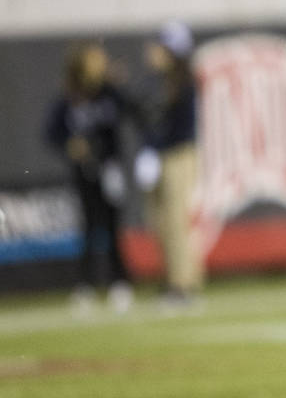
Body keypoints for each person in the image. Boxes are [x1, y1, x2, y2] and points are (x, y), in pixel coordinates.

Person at [44, 41, 135, 314]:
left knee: (112, 225)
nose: (101, 62)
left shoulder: (108, 92)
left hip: (109, 169)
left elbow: (130, 110)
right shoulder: (70, 95)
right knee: (87, 226)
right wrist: (71, 145)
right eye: (95, 59)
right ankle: (85, 284)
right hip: (84, 171)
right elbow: (52, 132)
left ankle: (120, 282)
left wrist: (118, 85)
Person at [135, 20, 202, 310]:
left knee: (176, 222)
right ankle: (173, 280)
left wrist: (154, 148)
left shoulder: (184, 83)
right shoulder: (156, 81)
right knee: (158, 222)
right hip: (159, 155)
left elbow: (178, 128)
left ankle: (183, 285)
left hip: (177, 155)